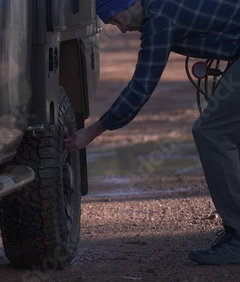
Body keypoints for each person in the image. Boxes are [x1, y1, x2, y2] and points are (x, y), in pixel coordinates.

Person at [65, 0, 240, 264]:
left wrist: (93, 131)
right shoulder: (162, 7)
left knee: (211, 132)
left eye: (116, 19)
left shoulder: (158, 19)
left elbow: (141, 86)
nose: (121, 29)